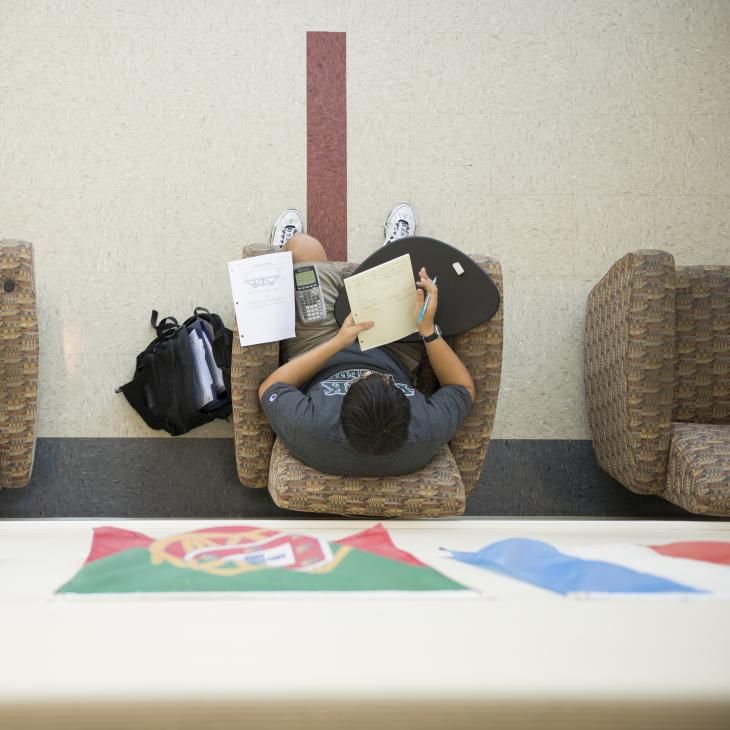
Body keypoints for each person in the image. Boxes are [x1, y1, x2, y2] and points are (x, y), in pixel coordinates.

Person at [257, 204, 475, 476]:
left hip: (320, 349)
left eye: (363, 381)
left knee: (303, 248)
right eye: (390, 384)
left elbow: (270, 387)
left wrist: (337, 343)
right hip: (394, 354)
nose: (376, 376)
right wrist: (428, 330)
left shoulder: (310, 429)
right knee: (414, 270)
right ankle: (392, 251)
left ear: (340, 409)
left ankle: (283, 257)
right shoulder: (425, 430)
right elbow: (463, 387)